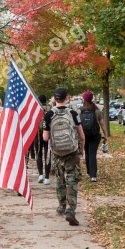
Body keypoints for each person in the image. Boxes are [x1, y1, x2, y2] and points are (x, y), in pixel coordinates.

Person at [42, 87, 84, 226]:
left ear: (54, 98)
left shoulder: (48, 115)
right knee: (72, 180)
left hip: (57, 153)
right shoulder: (73, 113)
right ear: (67, 98)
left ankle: (61, 205)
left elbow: (45, 138)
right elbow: (81, 135)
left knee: (60, 180)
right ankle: (70, 210)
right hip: (72, 152)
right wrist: (81, 149)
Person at [79, 90, 108, 182]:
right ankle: (93, 175)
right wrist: (105, 134)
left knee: (87, 153)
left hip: (84, 135)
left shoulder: (80, 111)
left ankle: (88, 172)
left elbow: (77, 124)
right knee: (92, 154)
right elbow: (102, 124)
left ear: (84, 99)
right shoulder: (96, 111)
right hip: (95, 135)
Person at [34, 94, 51, 185]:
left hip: (37, 134)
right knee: (47, 154)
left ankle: (40, 174)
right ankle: (47, 177)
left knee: (38, 154)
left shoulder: (35, 109)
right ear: (46, 101)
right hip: (48, 133)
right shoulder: (50, 108)